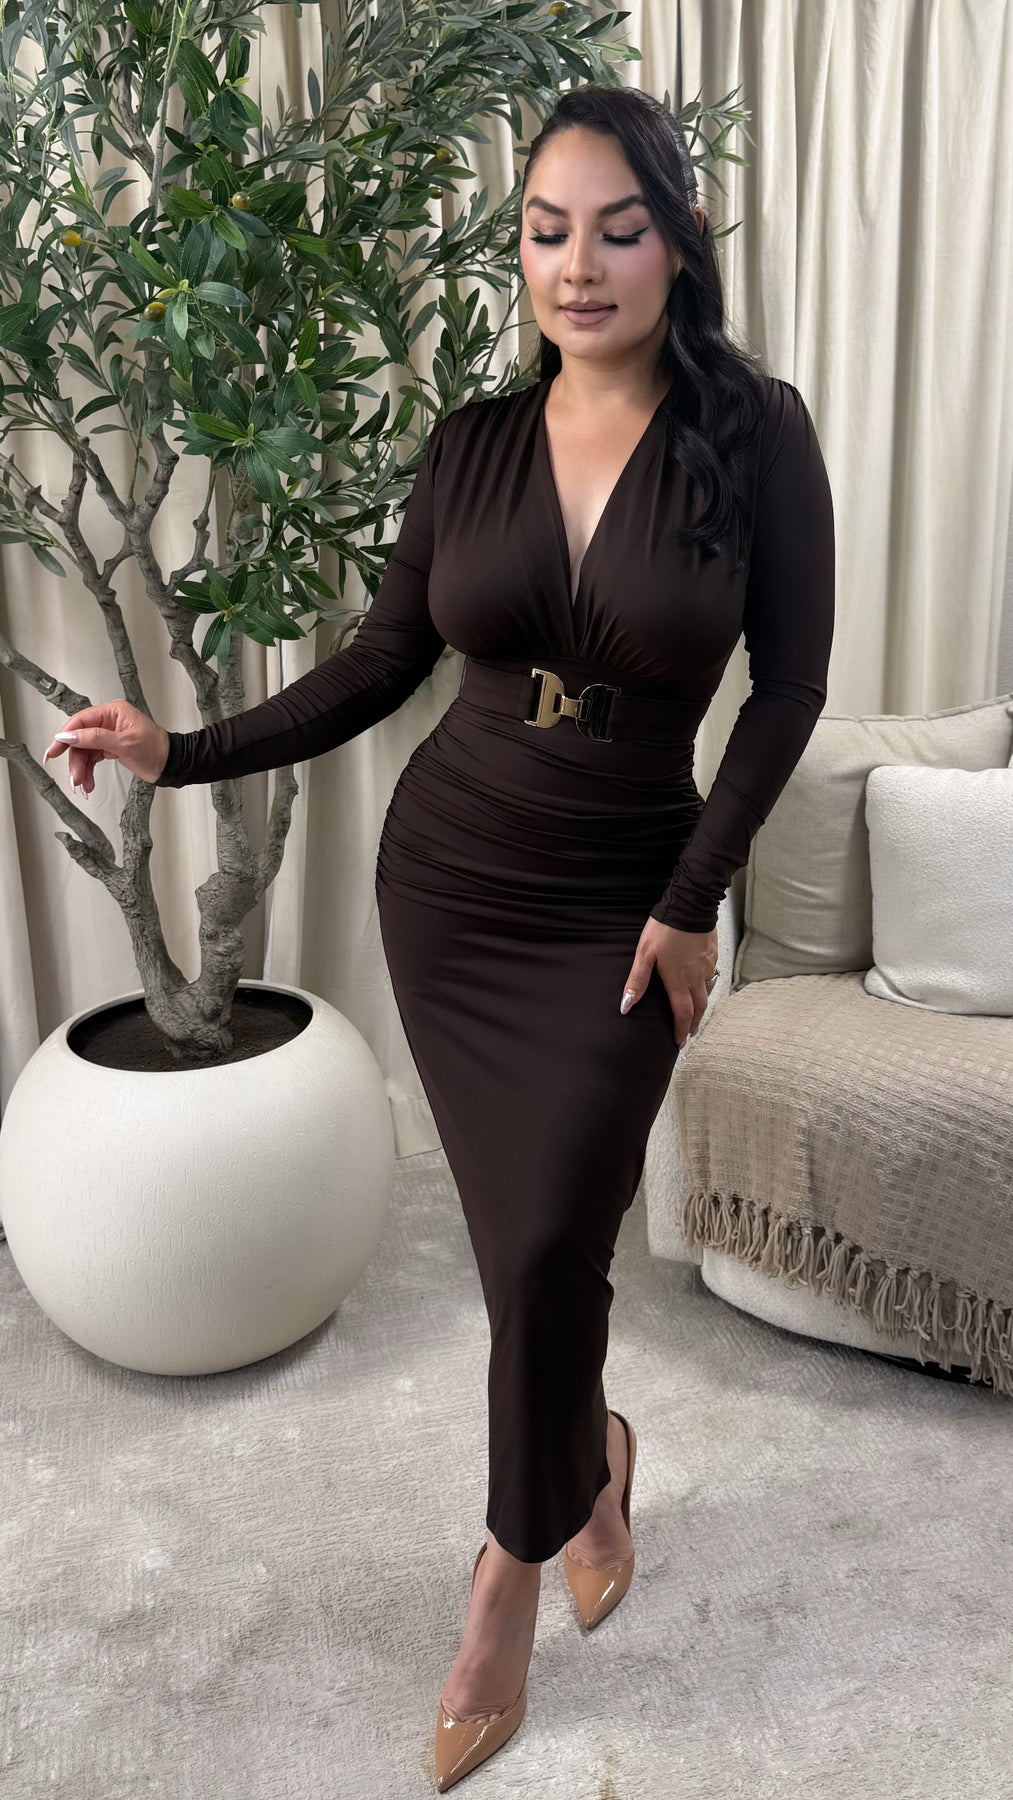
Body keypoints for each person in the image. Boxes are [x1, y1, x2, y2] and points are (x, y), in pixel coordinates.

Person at [43, 84, 835, 1793]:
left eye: (616, 228)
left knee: (549, 1245)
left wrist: (691, 900)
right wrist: (184, 750)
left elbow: (788, 692)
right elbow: (383, 661)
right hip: (455, 885)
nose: (577, 265)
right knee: (526, 1260)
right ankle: (588, 1458)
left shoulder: (756, 432)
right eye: (545, 232)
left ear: (680, 240)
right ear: (518, 250)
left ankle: (502, 1576)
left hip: (625, 898)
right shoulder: (472, 442)